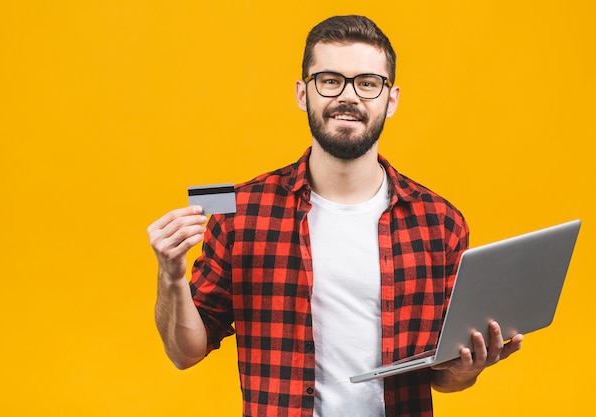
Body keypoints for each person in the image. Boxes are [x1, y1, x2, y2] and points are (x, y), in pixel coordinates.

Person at [147, 15, 523, 417]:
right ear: (301, 93)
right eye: (329, 80)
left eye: (367, 82)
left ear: (390, 99)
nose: (349, 96)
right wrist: (170, 276)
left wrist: (469, 369)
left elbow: (442, 376)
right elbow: (184, 353)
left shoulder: (440, 222)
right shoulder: (242, 213)